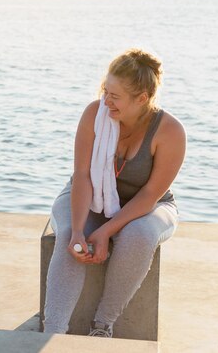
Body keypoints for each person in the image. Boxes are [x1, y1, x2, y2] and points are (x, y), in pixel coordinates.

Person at [42, 49, 186, 337]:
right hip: (90, 195)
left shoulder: (170, 132)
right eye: (105, 90)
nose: (106, 100)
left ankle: (103, 324)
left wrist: (106, 231)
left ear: (142, 99)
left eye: (115, 96)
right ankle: (53, 333)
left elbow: (149, 195)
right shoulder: (94, 114)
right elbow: (82, 175)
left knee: (139, 236)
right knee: (71, 231)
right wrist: (82, 231)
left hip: (149, 204)